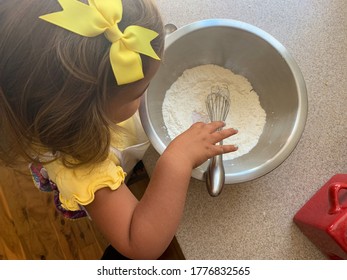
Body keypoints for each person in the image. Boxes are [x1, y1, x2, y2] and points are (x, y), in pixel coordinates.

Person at [0, 0, 238, 260]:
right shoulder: (82, 166)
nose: (146, 93)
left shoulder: (87, 97)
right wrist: (176, 161)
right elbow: (140, 245)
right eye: (139, 92)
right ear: (85, 116)